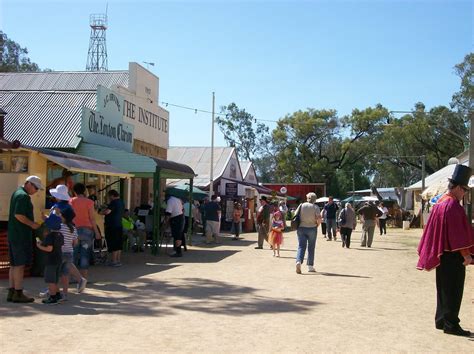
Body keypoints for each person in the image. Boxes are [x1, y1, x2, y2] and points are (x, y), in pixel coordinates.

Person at [417, 164, 474, 337]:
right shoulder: (452, 206)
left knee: (443, 288)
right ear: (457, 187)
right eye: (464, 189)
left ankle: (441, 319)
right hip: (453, 254)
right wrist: (467, 256)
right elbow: (458, 236)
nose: (464, 193)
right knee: (453, 290)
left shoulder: (441, 203)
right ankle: (451, 324)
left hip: (443, 254)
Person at [7, 176, 43, 303]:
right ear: (29, 184)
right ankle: (18, 292)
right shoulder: (23, 196)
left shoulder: (17, 193)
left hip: (13, 234)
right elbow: (19, 215)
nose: (36, 191)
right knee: (19, 265)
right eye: (36, 188)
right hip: (20, 235)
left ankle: (12, 291)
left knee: (13, 264)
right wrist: (32, 224)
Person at [70, 183, 100, 278]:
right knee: (85, 254)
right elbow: (92, 218)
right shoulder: (89, 202)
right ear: (84, 191)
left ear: (74, 191)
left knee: (73, 253)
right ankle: (84, 277)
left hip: (74, 230)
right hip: (87, 231)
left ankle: (72, 277)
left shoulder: (71, 201)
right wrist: (97, 232)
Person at [59, 207, 87, 300]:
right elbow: (75, 242)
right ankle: (65, 294)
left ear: (63, 217)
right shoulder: (73, 229)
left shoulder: (59, 227)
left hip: (60, 252)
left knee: (57, 273)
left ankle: (52, 290)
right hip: (69, 252)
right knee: (65, 274)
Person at [36, 213, 64, 305]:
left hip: (51, 260)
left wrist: (40, 246)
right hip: (58, 259)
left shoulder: (50, 236)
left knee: (50, 280)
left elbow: (49, 248)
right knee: (55, 279)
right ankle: (58, 294)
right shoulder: (60, 234)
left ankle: (52, 297)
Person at [295, 192, 321, 274]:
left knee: (301, 246)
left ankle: (298, 261)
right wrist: (317, 225)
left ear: (307, 198)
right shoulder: (315, 207)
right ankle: (310, 266)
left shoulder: (301, 205)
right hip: (312, 228)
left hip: (301, 228)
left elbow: (295, 214)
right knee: (311, 247)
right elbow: (319, 219)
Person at [101, 190, 125, 266]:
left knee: (114, 243)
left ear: (112, 195)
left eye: (109, 196)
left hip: (112, 226)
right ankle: (118, 260)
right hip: (119, 225)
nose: (108, 198)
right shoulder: (121, 202)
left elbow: (107, 212)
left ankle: (114, 261)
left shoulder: (113, 202)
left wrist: (100, 212)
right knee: (118, 244)